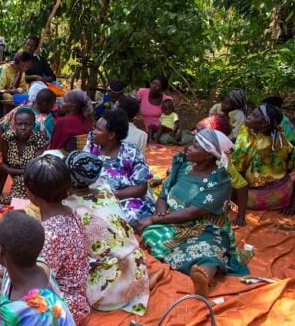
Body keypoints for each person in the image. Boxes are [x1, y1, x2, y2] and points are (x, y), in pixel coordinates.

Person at [137, 129, 249, 297]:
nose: (188, 147)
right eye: (192, 142)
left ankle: (203, 277)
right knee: (147, 231)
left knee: (210, 249)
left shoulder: (219, 181)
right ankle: (189, 264)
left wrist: (154, 219)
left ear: (209, 155)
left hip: (206, 226)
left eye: (196, 146)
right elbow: (164, 193)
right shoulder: (183, 165)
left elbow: (193, 213)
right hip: (173, 220)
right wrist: (160, 212)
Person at [64, 151, 149, 315]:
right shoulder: (106, 191)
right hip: (137, 263)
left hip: (112, 288)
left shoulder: (69, 206)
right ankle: (146, 281)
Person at [23, 154, 90, 324]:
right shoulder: (70, 212)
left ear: (31, 194)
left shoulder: (48, 233)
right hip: (77, 300)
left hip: (61, 308)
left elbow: (36, 283)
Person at [84, 108, 155, 225]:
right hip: (95, 196)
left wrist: (113, 195)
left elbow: (141, 188)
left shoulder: (131, 152)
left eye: (98, 129)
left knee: (129, 215)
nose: (94, 132)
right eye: (95, 127)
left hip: (125, 198)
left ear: (111, 135)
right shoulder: (92, 144)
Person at [231, 103, 295, 224]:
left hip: (254, 199)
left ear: (264, 123)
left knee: (224, 168)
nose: (249, 116)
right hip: (283, 195)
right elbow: (290, 167)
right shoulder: (280, 135)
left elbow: (238, 170)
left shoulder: (247, 135)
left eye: (254, 115)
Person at [0, 107, 48, 202]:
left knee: (19, 195)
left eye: (27, 125)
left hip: (32, 181)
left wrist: (9, 169)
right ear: (14, 125)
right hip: (18, 180)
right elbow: (4, 165)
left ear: (33, 125)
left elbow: (36, 171)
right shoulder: (8, 138)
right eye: (19, 124)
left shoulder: (38, 139)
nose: (23, 128)